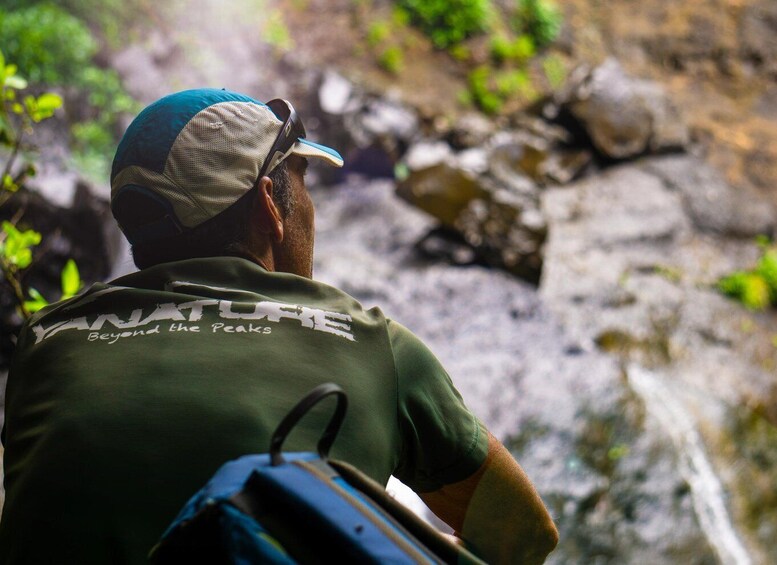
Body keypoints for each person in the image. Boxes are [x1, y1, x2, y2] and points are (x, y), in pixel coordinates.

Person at [0, 89, 558, 563]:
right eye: (304, 179)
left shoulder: (46, 341)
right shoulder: (371, 344)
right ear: (271, 204)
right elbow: (525, 537)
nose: (311, 206)